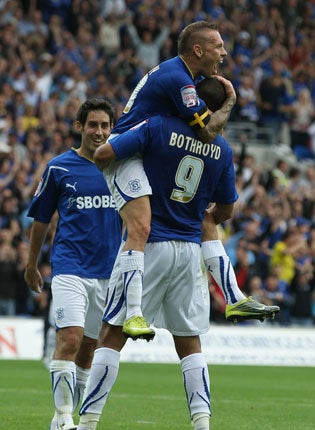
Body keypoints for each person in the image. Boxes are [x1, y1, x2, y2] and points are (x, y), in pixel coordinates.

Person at [76, 78, 280, 430]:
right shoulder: (223, 149)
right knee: (190, 345)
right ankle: (202, 425)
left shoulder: (157, 126)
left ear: (193, 100)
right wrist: (201, 216)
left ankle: (87, 424)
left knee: (111, 336)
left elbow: (105, 154)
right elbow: (227, 209)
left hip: (149, 246)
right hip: (190, 253)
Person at [97, 20, 274, 339]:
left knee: (204, 220)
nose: (224, 52)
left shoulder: (183, 76)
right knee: (141, 226)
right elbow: (207, 132)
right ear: (198, 49)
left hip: (151, 150)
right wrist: (230, 102)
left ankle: (234, 298)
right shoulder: (180, 79)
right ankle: (134, 313)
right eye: (218, 46)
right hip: (125, 151)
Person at [24, 98, 123, 430]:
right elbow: (40, 218)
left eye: (105, 125)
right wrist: (31, 264)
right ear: (80, 127)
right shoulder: (59, 167)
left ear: (112, 128)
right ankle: (64, 417)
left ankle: (68, 415)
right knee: (70, 339)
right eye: (93, 125)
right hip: (69, 268)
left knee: (89, 351)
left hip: (109, 273)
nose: (99, 131)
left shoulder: (121, 165)